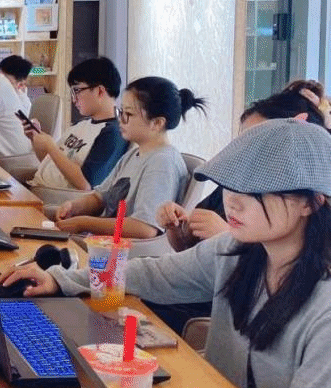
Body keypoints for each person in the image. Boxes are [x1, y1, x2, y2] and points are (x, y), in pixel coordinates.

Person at [2, 119, 331, 388]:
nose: (233, 201)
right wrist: (61, 279)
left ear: (311, 202)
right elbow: (156, 273)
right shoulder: (236, 251)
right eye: (231, 185)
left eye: (256, 191)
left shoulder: (324, 308)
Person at [157, 89, 327, 252]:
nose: (246, 150)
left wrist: (228, 237)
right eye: (243, 141)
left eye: (259, 142)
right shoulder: (231, 184)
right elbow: (187, 249)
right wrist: (178, 229)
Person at [54, 76, 206, 239]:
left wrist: (83, 223)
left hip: (122, 251)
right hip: (102, 243)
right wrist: (73, 207)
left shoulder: (162, 163)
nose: (121, 119)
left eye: (128, 114)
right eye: (121, 112)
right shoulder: (134, 154)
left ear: (157, 123)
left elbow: (144, 228)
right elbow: (100, 198)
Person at [26, 57, 127, 192]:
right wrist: (35, 139)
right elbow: (51, 163)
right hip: (37, 188)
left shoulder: (113, 133)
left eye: (77, 91)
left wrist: (51, 146)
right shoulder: (82, 124)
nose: (74, 99)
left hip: (53, 198)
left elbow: (85, 185)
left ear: (100, 91)